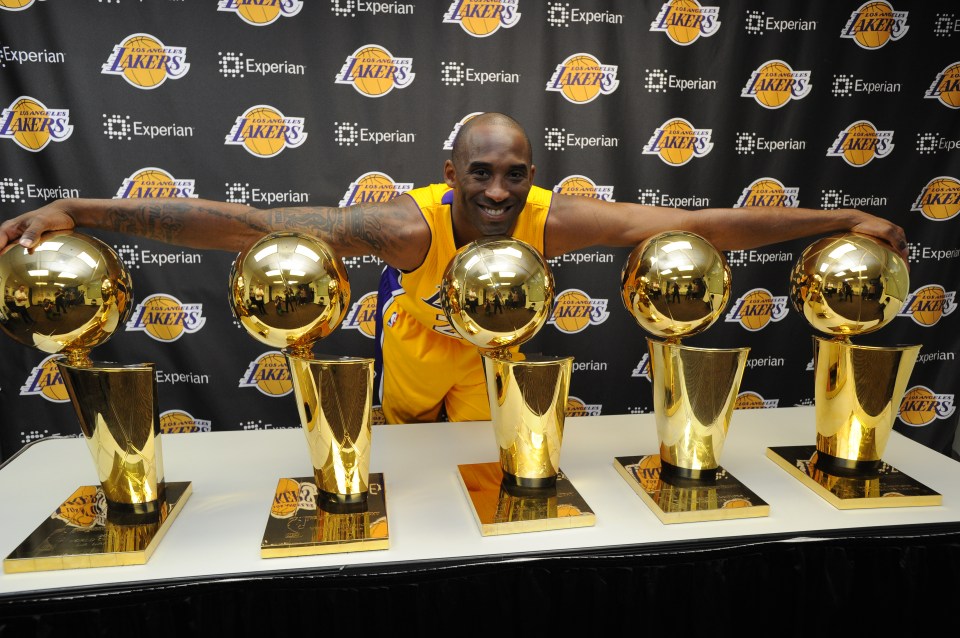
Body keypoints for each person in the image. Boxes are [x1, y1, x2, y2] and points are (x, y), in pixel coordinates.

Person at [0, 112, 908, 424]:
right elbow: (246, 224)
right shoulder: (405, 228)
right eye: (482, 173)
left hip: (496, 357)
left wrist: (840, 218)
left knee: (493, 481)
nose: (500, 190)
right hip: (416, 349)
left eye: (516, 173)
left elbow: (705, 223)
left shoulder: (556, 221)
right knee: (408, 476)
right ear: (450, 176)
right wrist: (77, 210)